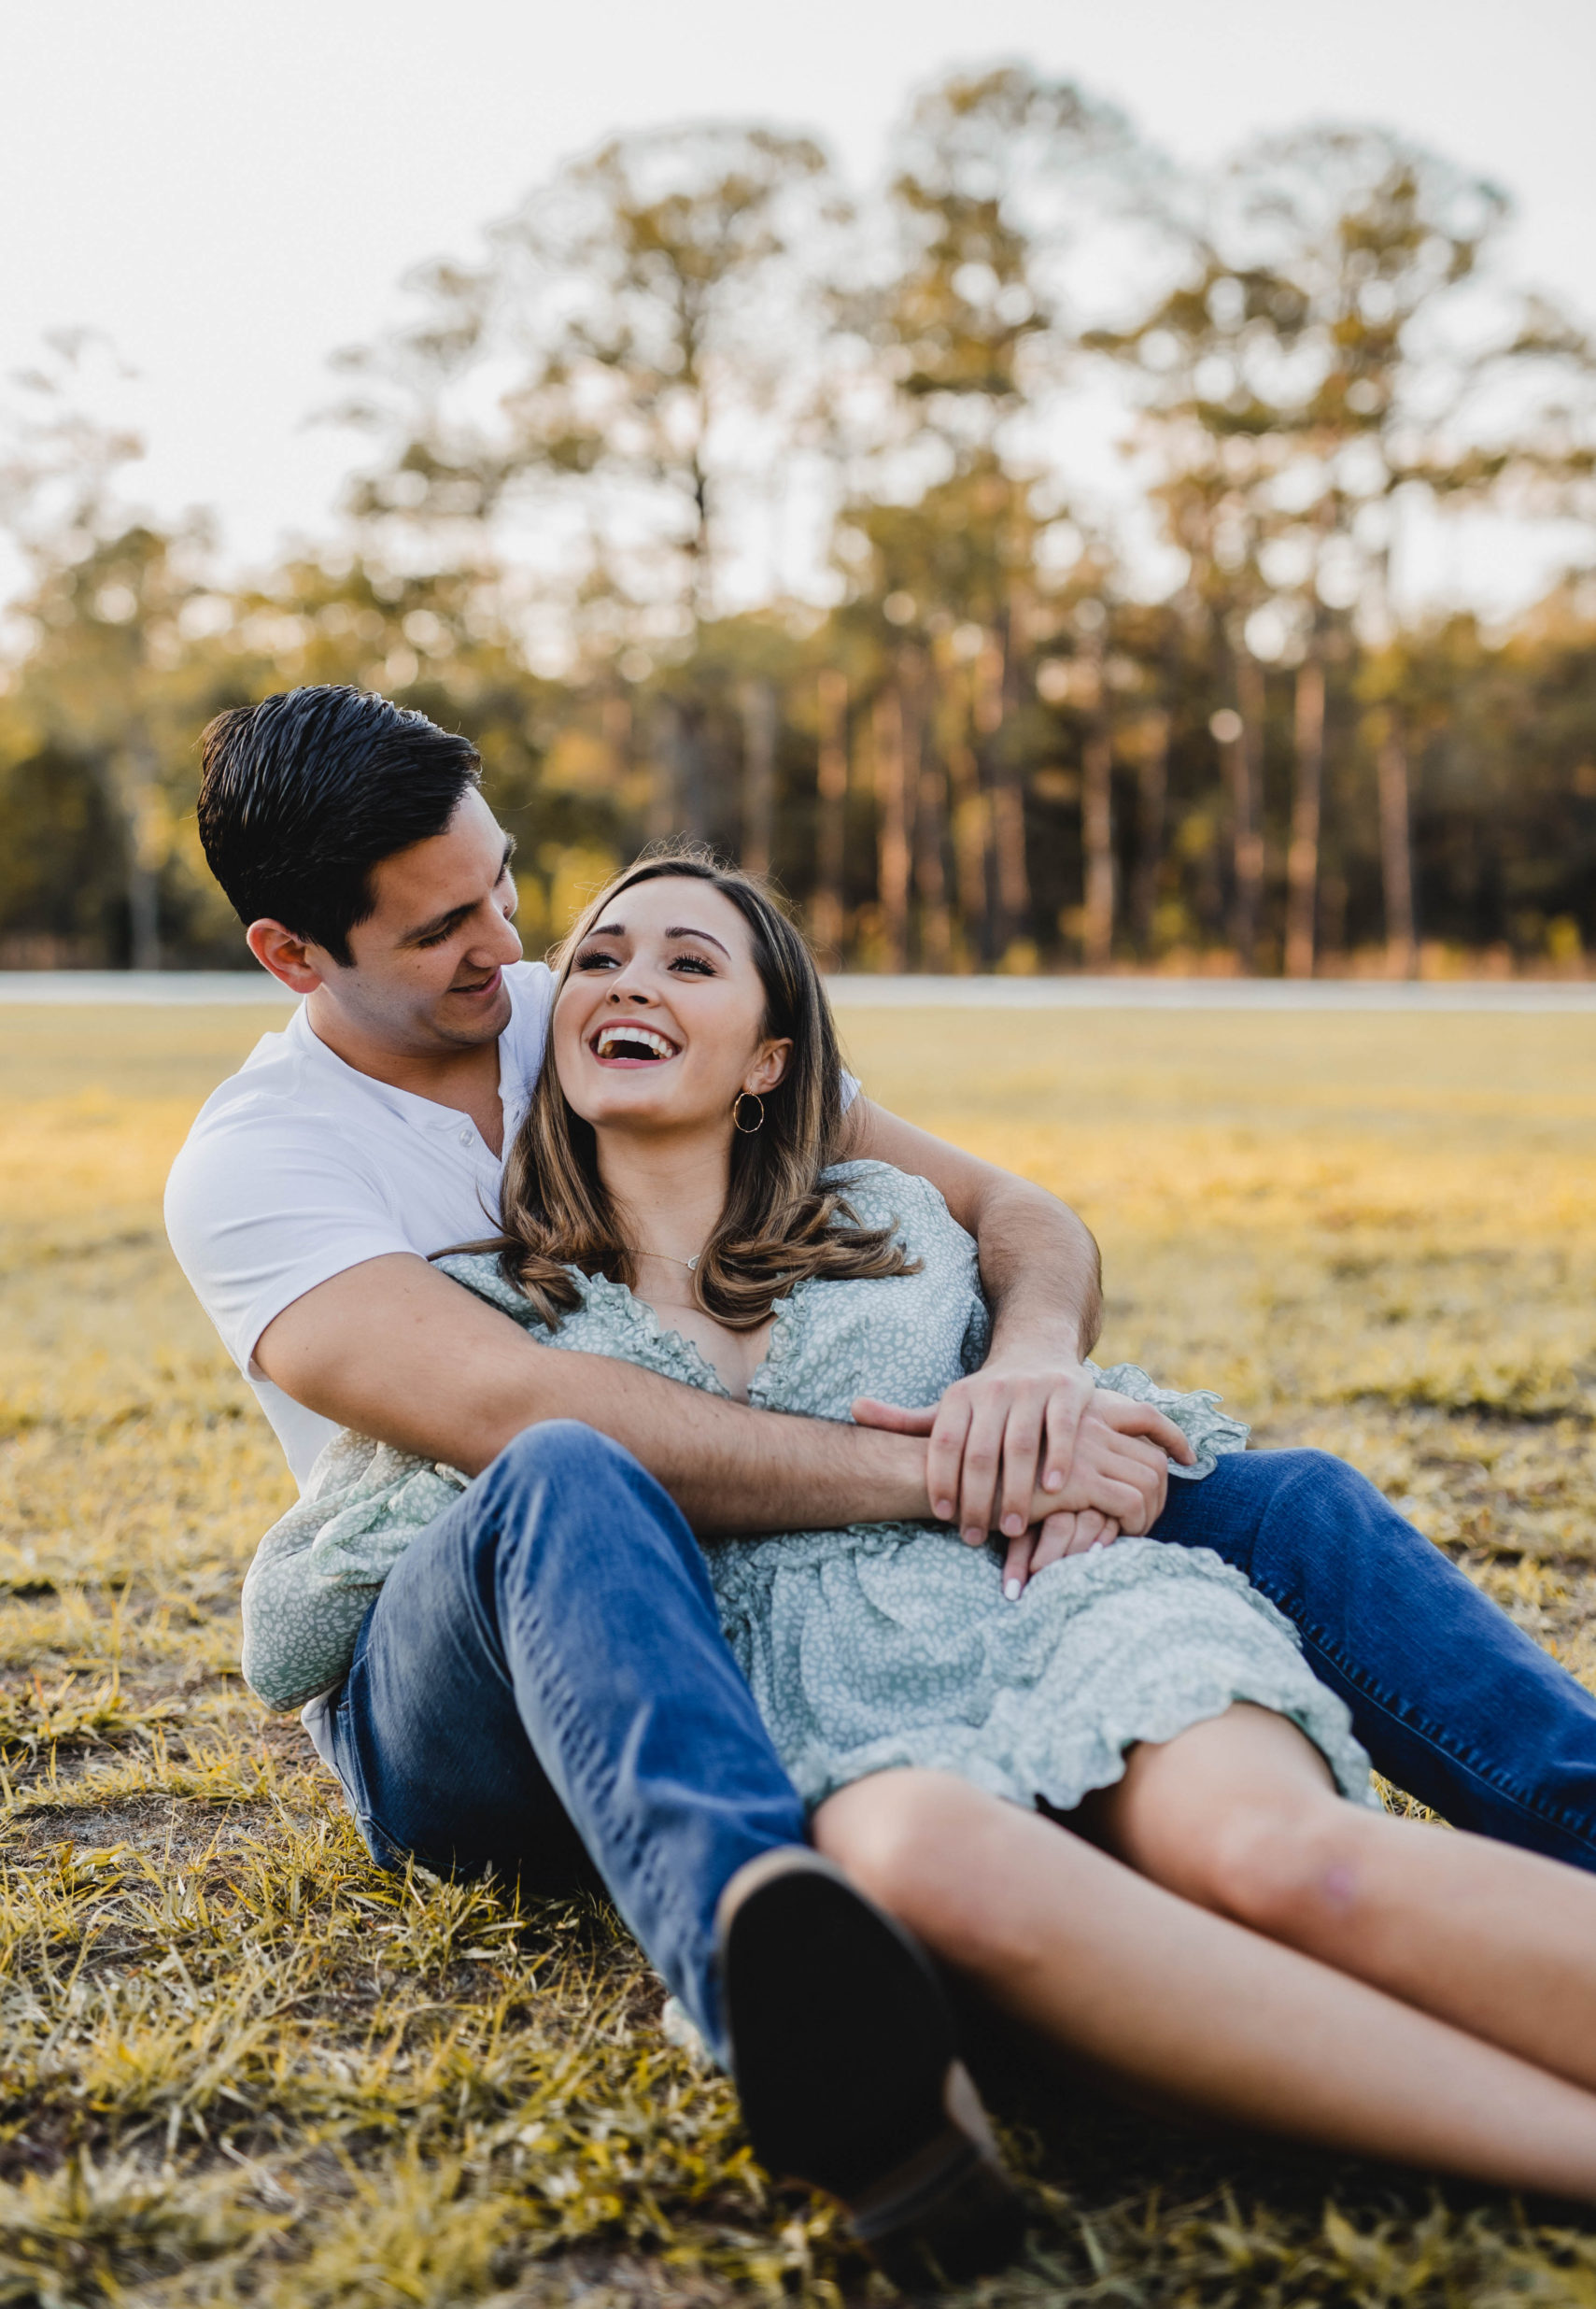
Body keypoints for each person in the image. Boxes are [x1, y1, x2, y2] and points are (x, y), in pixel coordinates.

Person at [165, 687, 1596, 2273]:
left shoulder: (594, 1003)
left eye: (507, 885)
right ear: (298, 955)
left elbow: (1014, 1214)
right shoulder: (259, 1162)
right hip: (477, 1676)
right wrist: (944, 1480)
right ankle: (773, 1982)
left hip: (839, 1572)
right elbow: (516, 1407)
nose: (516, 951)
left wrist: (1030, 1381)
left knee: (1268, 1497)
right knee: (573, 1471)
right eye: (447, 929)